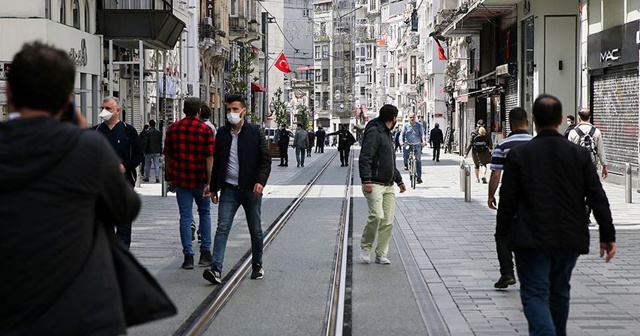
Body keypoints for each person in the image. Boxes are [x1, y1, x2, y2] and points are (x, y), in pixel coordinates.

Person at [0, 41, 153, 335]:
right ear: (68, 100)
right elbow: (126, 207)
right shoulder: (87, 145)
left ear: (9, 92)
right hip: (82, 309)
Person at [497, 94, 616, 335]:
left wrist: (502, 236)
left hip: (531, 237)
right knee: (560, 292)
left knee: (534, 294)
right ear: (561, 120)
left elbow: (507, 201)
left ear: (534, 120)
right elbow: (597, 196)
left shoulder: (520, 155)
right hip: (568, 238)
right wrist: (607, 234)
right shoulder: (579, 155)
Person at [204, 94, 271, 284]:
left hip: (251, 189)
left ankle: (257, 265)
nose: (231, 113)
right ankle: (216, 268)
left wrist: (260, 181)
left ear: (243, 110)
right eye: (228, 109)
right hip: (229, 189)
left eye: (235, 109)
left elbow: (265, 161)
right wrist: (213, 187)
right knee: (222, 227)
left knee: (255, 229)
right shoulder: (222, 134)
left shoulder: (255, 132)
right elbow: (217, 163)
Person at [163, 97, 215, 269]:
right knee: (205, 213)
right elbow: (209, 157)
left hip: (181, 181)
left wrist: (169, 178)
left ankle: (188, 257)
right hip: (200, 181)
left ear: (184, 110)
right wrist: (210, 182)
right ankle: (205, 253)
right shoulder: (205, 130)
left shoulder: (173, 129)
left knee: (185, 217)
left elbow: (168, 156)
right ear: (199, 111)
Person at [487, 107, 533, 289]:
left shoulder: (503, 145)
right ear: (527, 122)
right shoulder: (535, 143)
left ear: (510, 124)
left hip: (510, 196)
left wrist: (491, 195)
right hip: (533, 197)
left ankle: (507, 273)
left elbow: (496, 174)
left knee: (502, 234)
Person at [358, 104, 406, 265]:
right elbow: (365, 157)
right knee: (377, 216)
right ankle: (366, 247)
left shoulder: (387, 133)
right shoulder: (375, 132)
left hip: (388, 184)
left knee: (388, 221)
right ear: (392, 118)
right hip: (374, 183)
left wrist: (399, 180)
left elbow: (389, 160)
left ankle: (381, 254)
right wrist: (366, 180)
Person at [94, 96, 144, 248]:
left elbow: (138, 155)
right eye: (103, 108)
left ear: (117, 111)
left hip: (124, 183)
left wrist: (125, 166)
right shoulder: (96, 131)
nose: (104, 111)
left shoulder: (128, 131)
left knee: (123, 222)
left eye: (108, 108)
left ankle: (122, 253)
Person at [568, 108, 608, 179]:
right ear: (589, 117)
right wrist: (604, 165)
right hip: (591, 168)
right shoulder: (596, 131)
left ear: (579, 118)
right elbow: (600, 150)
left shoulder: (573, 132)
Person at [401, 112, 425, 183]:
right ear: (409, 118)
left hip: (417, 144)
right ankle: (406, 164)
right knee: (405, 153)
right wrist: (401, 141)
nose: (412, 119)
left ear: (415, 118)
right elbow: (402, 135)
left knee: (418, 160)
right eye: (411, 117)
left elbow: (422, 134)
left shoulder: (419, 126)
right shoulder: (405, 126)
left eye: (413, 117)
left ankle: (419, 177)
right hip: (408, 144)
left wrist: (423, 141)